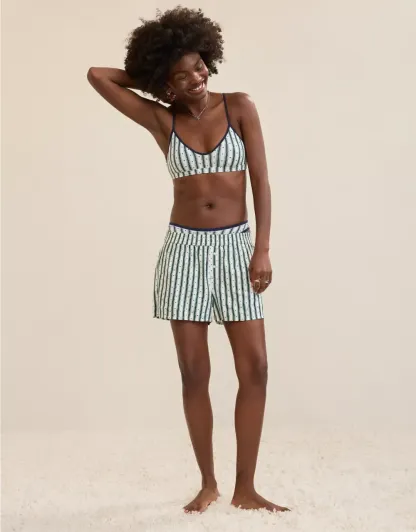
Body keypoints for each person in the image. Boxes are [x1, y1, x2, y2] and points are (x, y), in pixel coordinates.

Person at [87, 6, 289, 515]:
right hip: (183, 253)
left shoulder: (239, 106)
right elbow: (97, 76)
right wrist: (157, 80)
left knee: (256, 368)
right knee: (194, 372)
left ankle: (247, 488)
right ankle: (208, 483)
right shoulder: (163, 118)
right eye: (182, 75)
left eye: (199, 66)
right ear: (166, 82)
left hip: (236, 248)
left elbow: (261, 181)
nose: (196, 78)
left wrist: (262, 248)